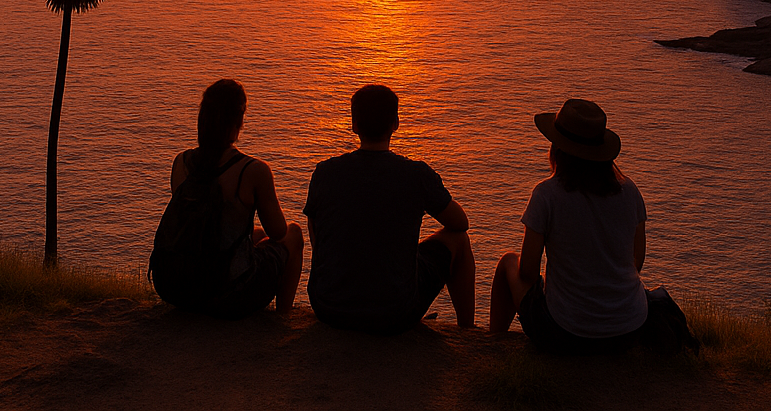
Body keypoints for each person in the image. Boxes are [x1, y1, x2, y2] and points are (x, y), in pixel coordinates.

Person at [303, 84, 476, 334]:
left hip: (329, 307)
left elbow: (318, 238)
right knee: (459, 240)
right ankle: (468, 332)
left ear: (354, 125)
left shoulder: (325, 173)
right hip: (394, 312)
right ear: (396, 123)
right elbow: (460, 223)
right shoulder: (416, 175)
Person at [489, 98, 652, 353]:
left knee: (509, 263)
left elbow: (528, 273)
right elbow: (636, 262)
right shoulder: (630, 192)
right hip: (629, 329)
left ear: (558, 148)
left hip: (566, 333)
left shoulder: (546, 195)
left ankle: (492, 344)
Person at [149, 78, 304, 318]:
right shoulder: (253, 170)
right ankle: (284, 313)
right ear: (239, 119)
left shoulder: (181, 162)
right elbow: (279, 232)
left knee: (258, 236)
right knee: (294, 234)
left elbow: (198, 228)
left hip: (174, 289)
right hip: (226, 294)